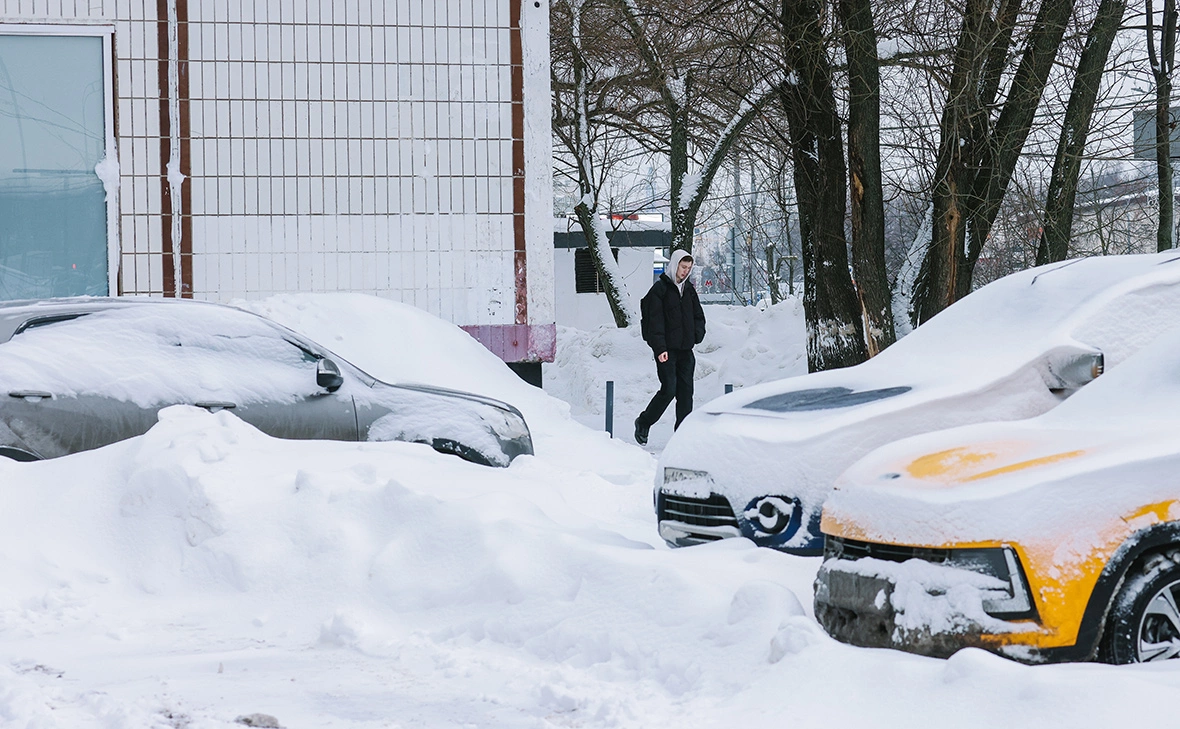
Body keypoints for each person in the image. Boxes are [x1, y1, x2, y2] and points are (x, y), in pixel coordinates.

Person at [634, 249, 705, 445]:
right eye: (683, 267)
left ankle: (682, 436)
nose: (685, 271)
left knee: (686, 393)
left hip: (686, 351)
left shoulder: (689, 290)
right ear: (674, 265)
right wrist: (660, 348)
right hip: (666, 351)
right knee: (669, 389)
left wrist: (697, 334)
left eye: (689, 268)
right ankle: (644, 422)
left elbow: (698, 316)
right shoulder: (660, 290)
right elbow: (654, 322)